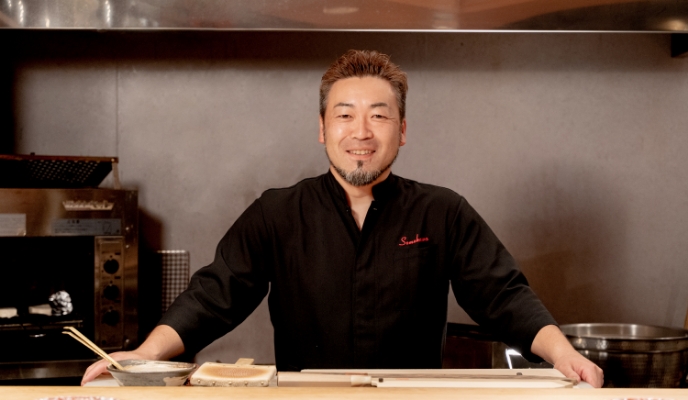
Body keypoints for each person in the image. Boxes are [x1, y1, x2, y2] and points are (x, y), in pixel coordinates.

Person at [82, 49, 604, 387]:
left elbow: (502, 294)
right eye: (345, 115)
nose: (362, 132)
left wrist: (564, 355)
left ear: (402, 131)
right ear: (322, 128)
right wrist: (140, 358)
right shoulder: (277, 212)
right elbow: (213, 296)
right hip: (305, 399)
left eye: (379, 115)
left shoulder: (442, 211)